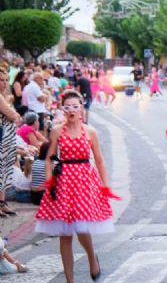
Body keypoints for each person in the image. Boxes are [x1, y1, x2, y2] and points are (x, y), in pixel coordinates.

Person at [35, 91, 119, 282]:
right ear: (62, 109)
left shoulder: (90, 131)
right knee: (65, 235)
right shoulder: (57, 130)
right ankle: (69, 280)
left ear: (81, 107)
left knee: (81, 228)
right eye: (67, 107)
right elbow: (48, 159)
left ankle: (91, 256)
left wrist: (105, 187)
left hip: (84, 182)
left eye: (75, 106)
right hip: (64, 181)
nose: (72, 110)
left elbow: (99, 161)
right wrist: (49, 181)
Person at [0, 68, 20, 218]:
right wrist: (13, 114)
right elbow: (13, 115)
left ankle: (2, 203)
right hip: (3, 137)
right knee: (1, 170)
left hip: (7, 137)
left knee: (5, 170)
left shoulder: (3, 96)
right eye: (1, 80)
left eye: (7, 80)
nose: (5, 83)